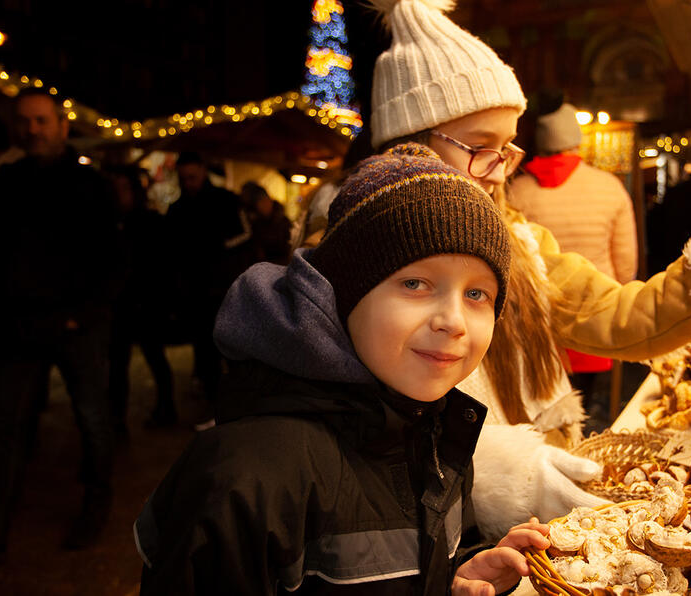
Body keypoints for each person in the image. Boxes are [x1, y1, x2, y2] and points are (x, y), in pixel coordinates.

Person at [367, 0, 691, 539]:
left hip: (533, 532)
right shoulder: (359, 263)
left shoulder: (521, 245)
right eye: (479, 149)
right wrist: (486, 465)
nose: (498, 174)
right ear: (407, 147)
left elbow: (624, 316)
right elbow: (358, 428)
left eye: (507, 150)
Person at [136, 144, 551, 595]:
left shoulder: (435, 426)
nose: (452, 321)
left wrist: (456, 575)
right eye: (414, 283)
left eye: (477, 295)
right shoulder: (248, 476)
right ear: (344, 294)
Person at [0, 88, 123, 565]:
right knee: (3, 425)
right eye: (24, 122)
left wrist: (85, 314)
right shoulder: (6, 182)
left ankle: (96, 505)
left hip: (76, 325)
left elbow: (113, 258)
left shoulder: (91, 185)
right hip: (19, 324)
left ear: (61, 125)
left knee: (93, 419)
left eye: (41, 121)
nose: (32, 130)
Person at [509, 100, 639, 423]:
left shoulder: (516, 192)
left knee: (548, 405)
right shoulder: (610, 188)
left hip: (541, 321)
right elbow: (626, 266)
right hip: (596, 314)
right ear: (576, 139)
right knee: (594, 405)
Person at [163, 152, 245, 423]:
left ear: (202, 171)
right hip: (196, 295)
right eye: (184, 178)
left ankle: (237, 408)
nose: (189, 183)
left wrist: (219, 250)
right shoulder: (177, 210)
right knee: (206, 353)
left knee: (234, 352)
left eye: (193, 177)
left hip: (224, 290)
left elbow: (245, 236)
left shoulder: (226, 201)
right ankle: (215, 407)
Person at [107, 166, 176, 433]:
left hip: (147, 302)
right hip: (121, 304)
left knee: (154, 356)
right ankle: (116, 418)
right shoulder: (110, 224)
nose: (120, 195)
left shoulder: (150, 222)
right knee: (117, 363)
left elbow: (162, 264)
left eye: (124, 188)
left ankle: (166, 407)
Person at [238, 181, 292, 266]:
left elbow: (287, 248)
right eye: (257, 203)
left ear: (268, 200)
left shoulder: (284, 222)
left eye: (263, 201)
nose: (260, 206)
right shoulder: (256, 222)